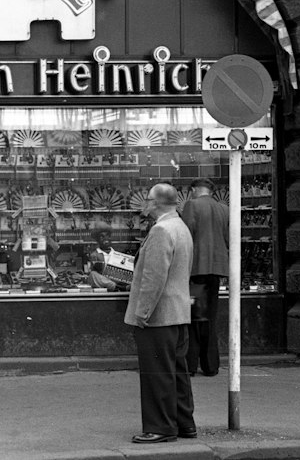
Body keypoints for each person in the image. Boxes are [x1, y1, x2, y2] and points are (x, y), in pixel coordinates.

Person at [124, 182, 196, 444]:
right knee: (177, 372)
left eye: (147, 199)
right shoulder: (180, 227)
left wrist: (141, 314)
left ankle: (161, 427)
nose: (144, 203)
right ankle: (184, 423)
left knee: (157, 374)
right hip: (177, 311)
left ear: (154, 203)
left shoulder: (160, 231)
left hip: (158, 316)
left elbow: (153, 279)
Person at [179, 178, 231, 377]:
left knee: (192, 318)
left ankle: (191, 365)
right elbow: (228, 238)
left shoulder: (191, 205)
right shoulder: (223, 209)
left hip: (195, 269)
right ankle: (211, 365)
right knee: (210, 317)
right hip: (216, 270)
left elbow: (186, 236)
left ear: (194, 190)